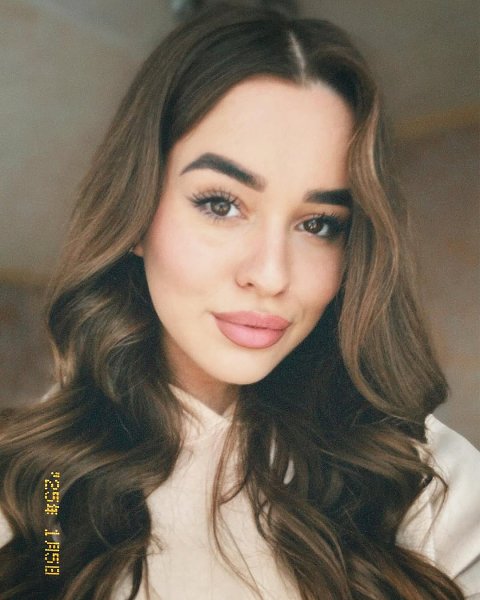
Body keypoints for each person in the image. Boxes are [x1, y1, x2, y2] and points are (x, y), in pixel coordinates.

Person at [0, 3, 478, 599]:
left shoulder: (424, 484)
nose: (271, 275)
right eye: (221, 204)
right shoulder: (39, 482)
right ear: (137, 212)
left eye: (319, 224)